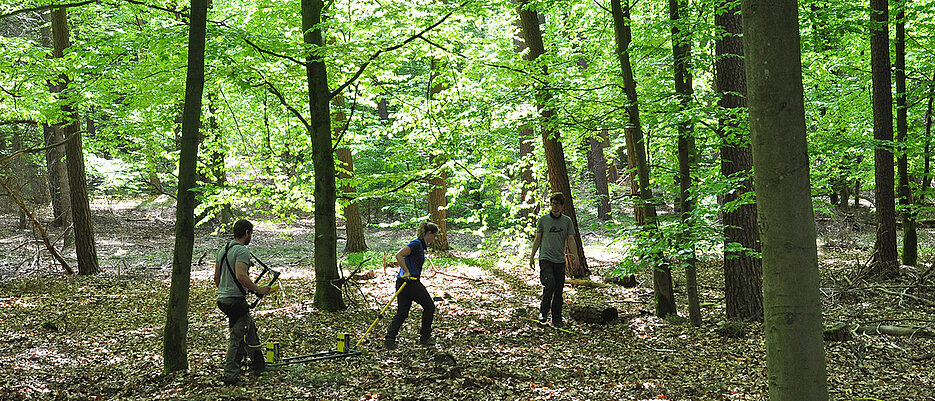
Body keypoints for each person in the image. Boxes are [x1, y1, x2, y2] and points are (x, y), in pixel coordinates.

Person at [214, 219, 271, 385]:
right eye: (251, 233)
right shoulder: (242, 251)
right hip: (234, 301)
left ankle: (258, 365)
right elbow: (241, 275)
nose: (251, 236)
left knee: (249, 327)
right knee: (237, 338)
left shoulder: (222, 250)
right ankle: (230, 376)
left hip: (223, 299)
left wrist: (225, 290)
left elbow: (216, 278)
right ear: (247, 232)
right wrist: (258, 289)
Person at [384, 221, 440, 350]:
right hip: (409, 282)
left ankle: (389, 339)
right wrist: (407, 271)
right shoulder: (416, 244)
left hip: (404, 283)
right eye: (434, 235)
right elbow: (399, 255)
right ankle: (425, 337)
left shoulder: (420, 245)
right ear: (429, 233)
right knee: (429, 306)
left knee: (402, 313)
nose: (434, 239)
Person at [528, 193, 576, 328]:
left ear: (562, 206)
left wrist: (575, 255)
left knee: (559, 290)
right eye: (553, 203)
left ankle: (557, 318)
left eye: (557, 204)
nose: (555, 206)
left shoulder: (567, 221)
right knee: (549, 285)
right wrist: (532, 256)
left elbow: (571, 239)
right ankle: (543, 313)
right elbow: (537, 239)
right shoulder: (543, 220)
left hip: (559, 260)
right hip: (545, 258)